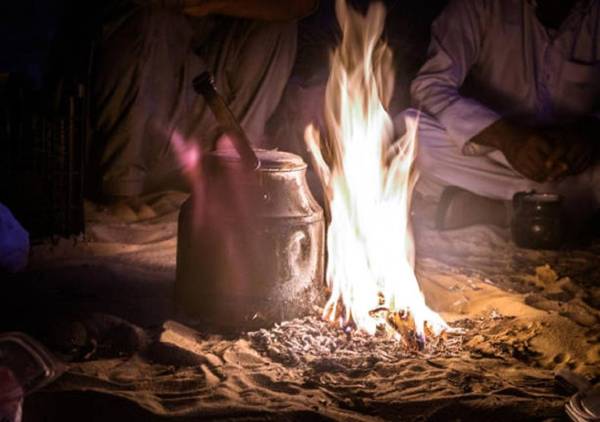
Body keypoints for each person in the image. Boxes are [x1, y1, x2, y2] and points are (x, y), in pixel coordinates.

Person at [91, 0, 318, 219]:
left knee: (278, 27)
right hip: (138, 119)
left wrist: (214, 5)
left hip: (198, 110)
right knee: (150, 24)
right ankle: (122, 190)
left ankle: (237, 170)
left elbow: (300, 4)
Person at [399, 0, 600, 230]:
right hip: (494, 156)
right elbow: (429, 88)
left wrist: (589, 132)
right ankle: (544, 212)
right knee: (407, 133)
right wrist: (508, 138)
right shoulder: (480, 6)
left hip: (574, 167)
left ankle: (501, 211)